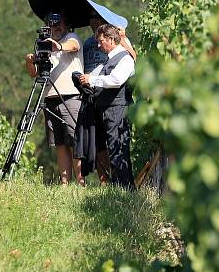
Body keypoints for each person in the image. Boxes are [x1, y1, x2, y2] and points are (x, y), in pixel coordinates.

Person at [24, 12, 84, 185]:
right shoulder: (45, 45)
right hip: (50, 97)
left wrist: (58, 46)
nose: (55, 28)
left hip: (70, 96)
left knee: (74, 141)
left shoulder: (71, 37)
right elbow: (34, 74)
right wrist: (30, 61)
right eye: (51, 25)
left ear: (66, 25)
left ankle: (80, 183)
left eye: (58, 25)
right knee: (59, 143)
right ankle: (65, 183)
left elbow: (72, 46)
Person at [78, 11, 137, 184]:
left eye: (101, 41)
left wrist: (92, 79)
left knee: (119, 151)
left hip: (118, 110)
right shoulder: (112, 59)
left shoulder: (124, 59)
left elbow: (116, 80)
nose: (98, 45)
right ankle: (123, 190)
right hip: (110, 110)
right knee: (114, 150)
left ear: (111, 40)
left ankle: (126, 190)